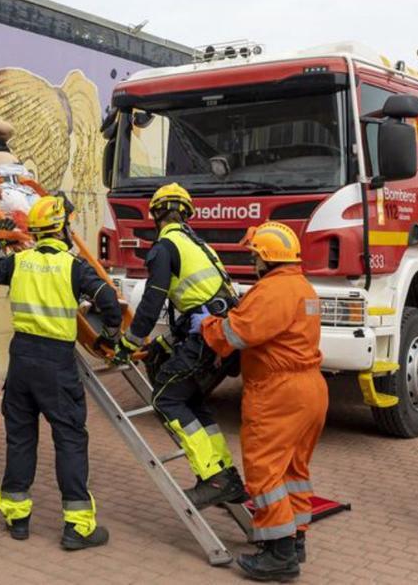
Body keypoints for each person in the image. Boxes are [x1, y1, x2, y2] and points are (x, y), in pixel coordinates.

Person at [0, 194, 123, 550]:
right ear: (63, 229)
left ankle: (17, 517)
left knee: (21, 438)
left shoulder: (18, 262)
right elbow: (109, 301)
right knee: (69, 438)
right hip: (56, 363)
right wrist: (110, 335)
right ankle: (77, 527)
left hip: (21, 359)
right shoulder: (75, 267)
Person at [201, 221, 327, 581]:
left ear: (265, 258)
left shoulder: (272, 291)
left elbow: (235, 334)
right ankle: (295, 539)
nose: (253, 260)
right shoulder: (302, 287)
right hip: (310, 388)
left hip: (278, 391)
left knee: (264, 471)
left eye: (255, 254)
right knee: (293, 471)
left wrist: (207, 324)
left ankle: (280, 555)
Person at [111, 183, 247, 510]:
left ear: (155, 214)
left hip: (207, 335)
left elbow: (152, 300)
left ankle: (214, 478)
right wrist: (163, 342)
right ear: (186, 213)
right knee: (192, 400)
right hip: (221, 334)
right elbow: (203, 303)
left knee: (165, 398)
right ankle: (225, 473)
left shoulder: (165, 247)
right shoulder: (199, 246)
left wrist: (129, 343)